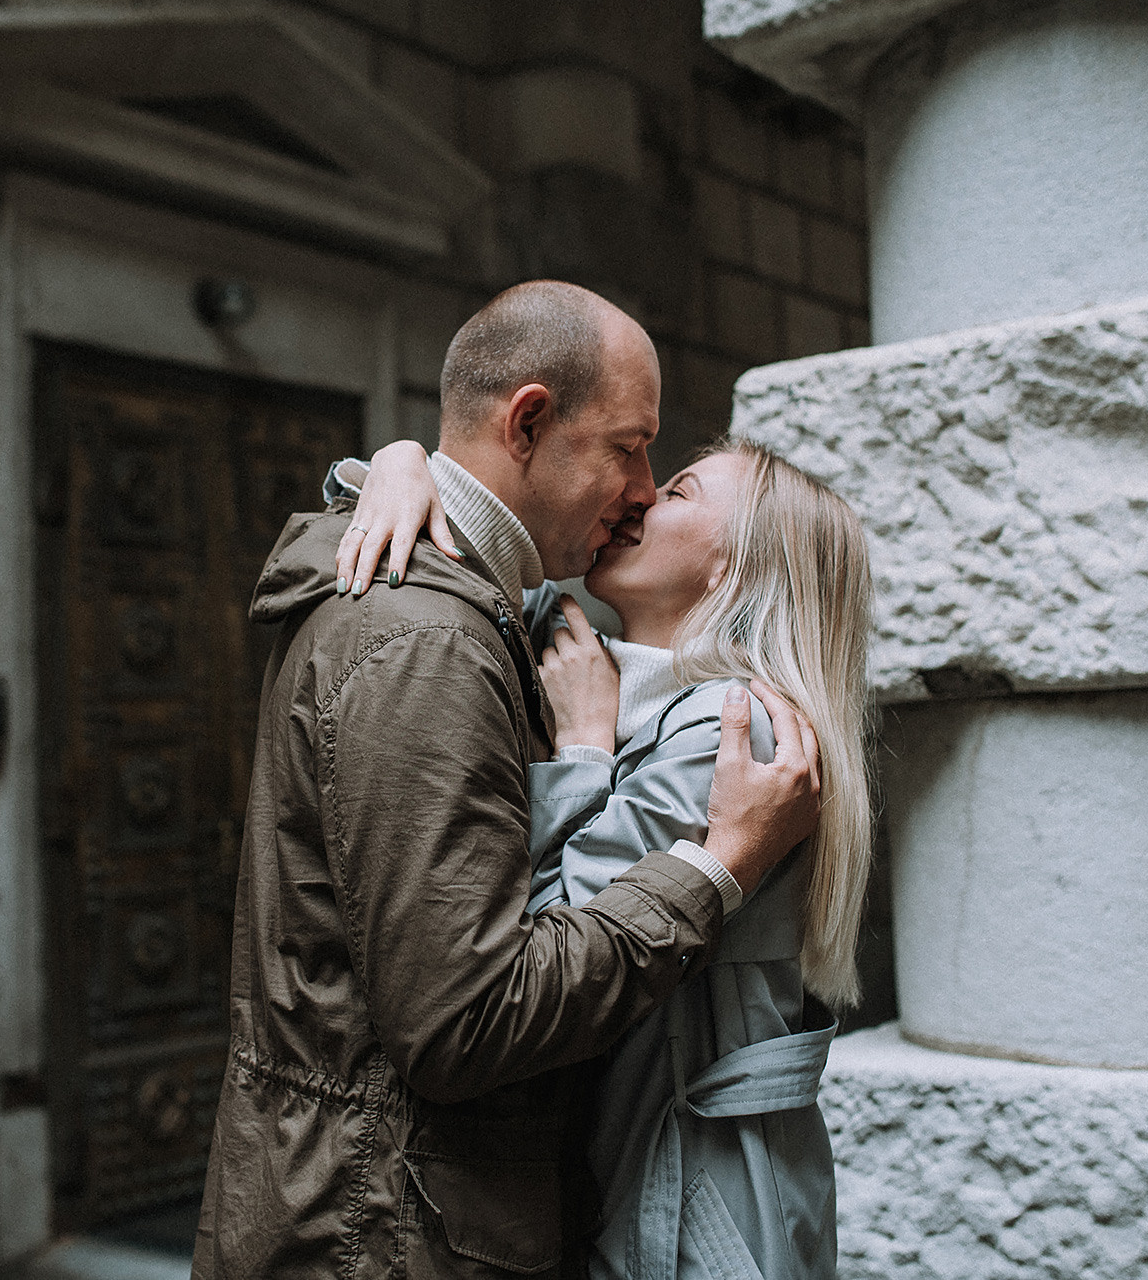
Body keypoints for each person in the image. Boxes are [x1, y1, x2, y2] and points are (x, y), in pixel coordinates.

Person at [193, 281, 824, 1280]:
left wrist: (396, 463)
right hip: (386, 1231)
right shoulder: (424, 640)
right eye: (628, 446)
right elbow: (469, 1017)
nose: (641, 486)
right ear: (528, 420)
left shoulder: (494, 620)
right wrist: (717, 864)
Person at [336, 435, 874, 1279]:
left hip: (695, 1208)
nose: (641, 497)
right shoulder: (593, 653)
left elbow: (545, 945)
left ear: (733, 567)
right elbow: (471, 523)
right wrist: (406, 460)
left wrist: (584, 748)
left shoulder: (730, 733)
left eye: (682, 491)